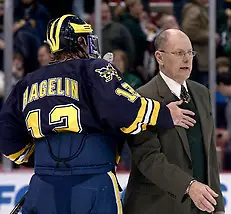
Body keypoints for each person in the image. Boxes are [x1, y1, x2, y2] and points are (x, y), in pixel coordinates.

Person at [0, 15, 196, 214]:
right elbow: (123, 110)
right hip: (92, 180)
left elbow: (7, 136)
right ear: (80, 41)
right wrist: (164, 113)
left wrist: (43, 162)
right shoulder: (94, 68)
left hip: (43, 184)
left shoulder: (28, 82)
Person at [124, 29, 225, 214]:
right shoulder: (143, 98)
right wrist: (189, 186)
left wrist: (217, 206)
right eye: (179, 53)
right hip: (157, 206)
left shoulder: (202, 93)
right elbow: (148, 158)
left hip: (198, 207)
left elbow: (209, 152)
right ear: (159, 57)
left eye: (190, 53)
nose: (187, 59)